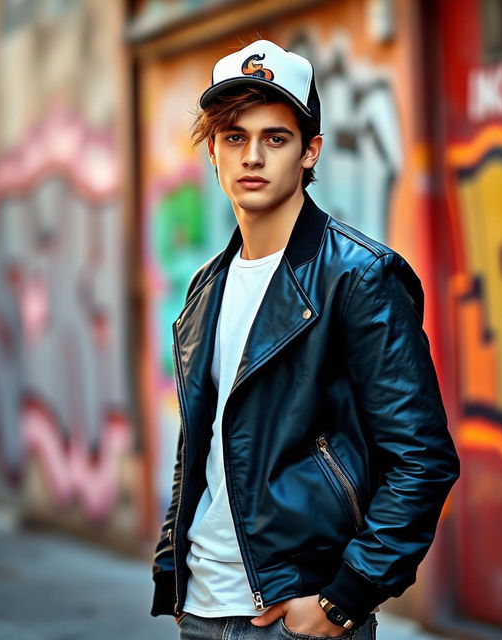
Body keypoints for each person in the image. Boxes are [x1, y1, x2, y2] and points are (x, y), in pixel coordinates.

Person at [150, 39, 459, 640]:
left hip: (299, 617)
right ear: (212, 152)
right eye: (235, 138)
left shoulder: (359, 276)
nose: (253, 157)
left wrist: (344, 598)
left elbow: (422, 458)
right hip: (202, 608)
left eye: (276, 137)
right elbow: (203, 446)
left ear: (309, 151)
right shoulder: (204, 289)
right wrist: (173, 557)